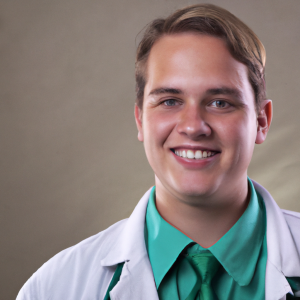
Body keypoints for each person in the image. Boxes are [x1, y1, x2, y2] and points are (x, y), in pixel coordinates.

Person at [17, 4, 300, 300]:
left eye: (220, 103)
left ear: (261, 121)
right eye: (169, 101)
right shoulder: (54, 287)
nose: (193, 127)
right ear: (140, 119)